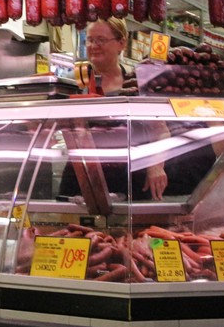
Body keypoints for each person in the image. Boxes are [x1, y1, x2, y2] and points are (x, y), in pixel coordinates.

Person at [62, 19, 168, 200]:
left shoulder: (137, 81)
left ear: (121, 43)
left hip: (130, 177)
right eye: (90, 40)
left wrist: (156, 165)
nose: (93, 46)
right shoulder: (74, 80)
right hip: (82, 176)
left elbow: (161, 131)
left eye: (101, 40)